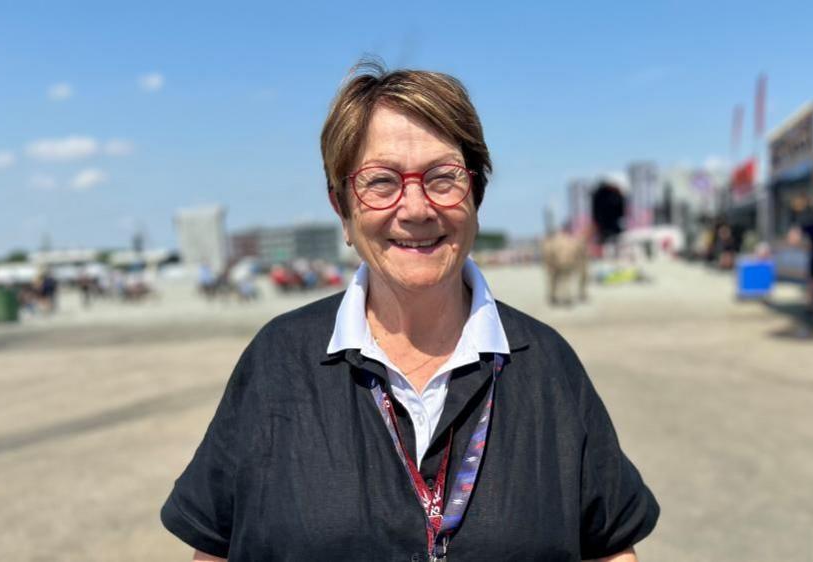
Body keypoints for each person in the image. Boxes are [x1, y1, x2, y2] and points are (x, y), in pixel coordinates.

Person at [161, 63, 658, 561]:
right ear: (342, 208)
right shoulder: (278, 362)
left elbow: (609, 549)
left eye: (444, 178)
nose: (417, 208)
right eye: (381, 182)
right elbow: (216, 549)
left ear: (476, 197)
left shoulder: (547, 365)